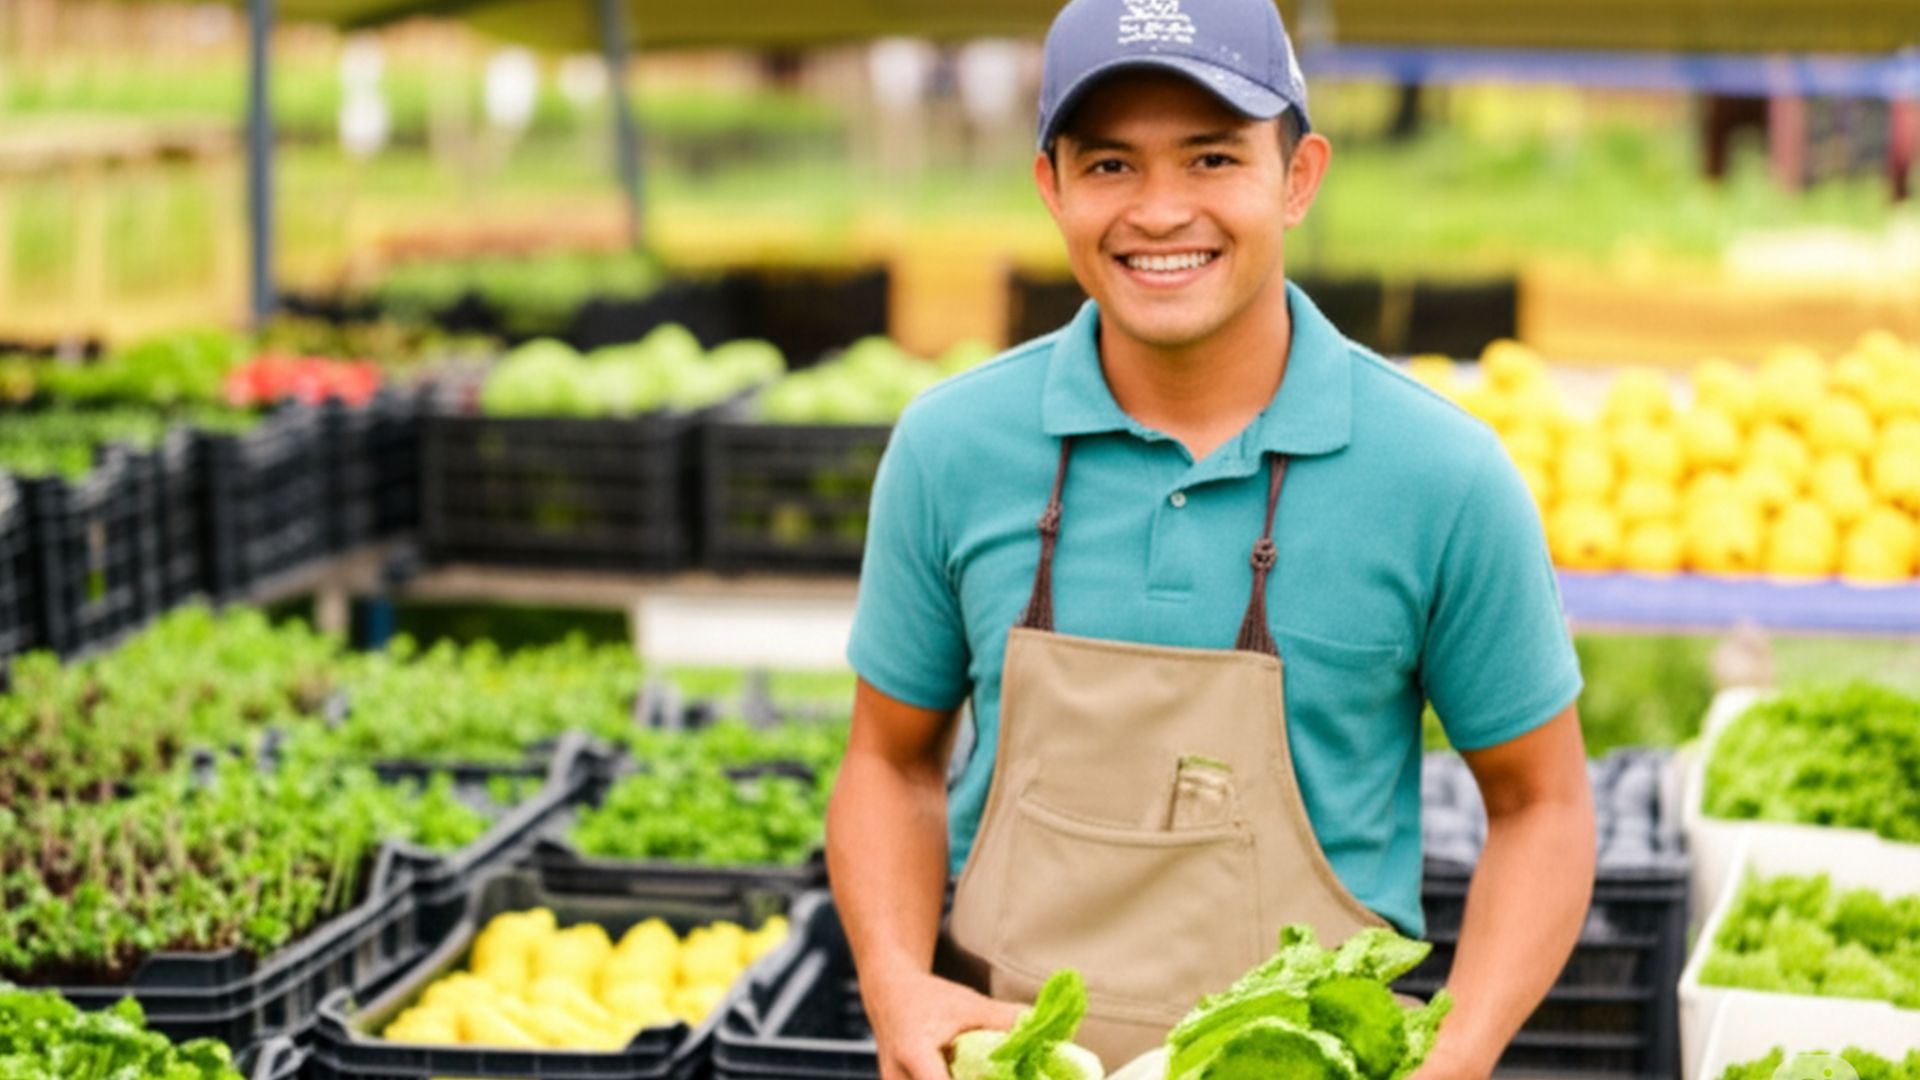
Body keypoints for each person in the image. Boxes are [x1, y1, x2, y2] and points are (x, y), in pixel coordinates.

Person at [825, 0, 1596, 1075]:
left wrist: (1455, 1054)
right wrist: (896, 983)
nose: (1159, 211)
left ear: (1299, 176)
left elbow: (1542, 807)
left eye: (1212, 158)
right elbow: (889, 763)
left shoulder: (1441, 477)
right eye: (1109, 167)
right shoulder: (951, 448)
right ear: (1049, 185)